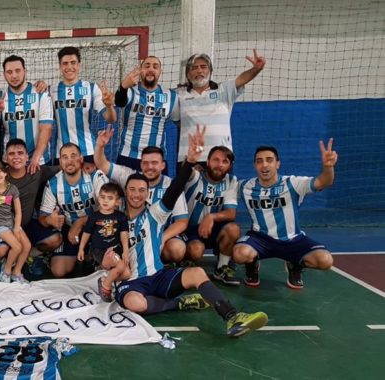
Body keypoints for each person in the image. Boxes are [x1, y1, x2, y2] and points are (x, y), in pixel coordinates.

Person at [114, 126, 268, 337]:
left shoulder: (155, 214)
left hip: (159, 277)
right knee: (135, 304)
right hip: (131, 282)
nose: (137, 194)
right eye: (132, 190)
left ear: (148, 193)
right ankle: (178, 304)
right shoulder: (115, 221)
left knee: (196, 272)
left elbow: (175, 187)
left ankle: (232, 316)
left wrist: (189, 162)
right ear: (126, 192)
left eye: (142, 190)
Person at [233, 141, 337, 289]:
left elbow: (323, 181)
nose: (264, 165)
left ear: (278, 164)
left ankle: (295, 265)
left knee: (325, 260)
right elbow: (221, 188)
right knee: (239, 254)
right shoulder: (245, 187)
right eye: (259, 161)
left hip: (293, 239)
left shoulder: (292, 184)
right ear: (255, 165)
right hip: (260, 239)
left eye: (269, 160)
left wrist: (328, 167)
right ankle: (252, 265)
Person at [93, 127, 189, 265]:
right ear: (141, 164)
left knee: (177, 249)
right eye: (145, 163)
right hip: (131, 235)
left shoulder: (171, 186)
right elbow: (101, 164)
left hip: (161, 235)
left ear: (163, 165)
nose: (150, 167)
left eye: (154, 163)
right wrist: (100, 146)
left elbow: (182, 222)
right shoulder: (129, 176)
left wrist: (159, 238)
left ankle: (161, 266)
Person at [176, 50, 265, 167]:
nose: (199, 70)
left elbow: (242, 79)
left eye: (203, 67)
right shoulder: (178, 95)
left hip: (221, 160)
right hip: (189, 160)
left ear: (210, 71)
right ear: (188, 74)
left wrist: (256, 69)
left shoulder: (224, 90)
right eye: (194, 68)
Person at [38, 143, 109, 278]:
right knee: (58, 270)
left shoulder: (95, 176)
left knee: (105, 265)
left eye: (73, 156)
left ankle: (92, 255)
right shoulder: (53, 184)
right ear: (60, 161)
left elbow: (110, 210)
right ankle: (80, 254)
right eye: (65, 157)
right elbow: (43, 217)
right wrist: (49, 219)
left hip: (97, 227)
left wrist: (81, 222)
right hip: (70, 230)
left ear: (81, 159)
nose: (69, 161)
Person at [0, 55, 54, 172]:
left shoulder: (41, 94)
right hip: (12, 163)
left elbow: (46, 128)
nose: (14, 75)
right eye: (9, 72)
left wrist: (35, 158)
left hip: (39, 161)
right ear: (4, 75)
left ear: (25, 71)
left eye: (17, 71)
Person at [182, 146, 241, 285]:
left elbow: (231, 213)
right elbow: (185, 171)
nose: (219, 165)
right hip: (190, 230)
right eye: (216, 160)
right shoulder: (195, 176)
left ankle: (222, 268)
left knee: (233, 229)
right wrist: (190, 159)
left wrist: (211, 217)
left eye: (225, 161)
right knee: (196, 251)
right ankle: (184, 259)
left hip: (213, 229)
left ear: (230, 165)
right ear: (207, 161)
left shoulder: (231, 180)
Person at [51, 46, 117, 170]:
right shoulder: (52, 90)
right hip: (62, 153)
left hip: (87, 151)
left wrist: (109, 106)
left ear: (79, 65)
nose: (69, 67)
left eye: (73, 63)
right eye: (65, 63)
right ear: (60, 66)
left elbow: (111, 119)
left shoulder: (91, 88)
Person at [114, 56, 179, 171]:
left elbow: (178, 123)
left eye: (155, 66)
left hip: (156, 160)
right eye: (147, 66)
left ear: (160, 72)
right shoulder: (131, 91)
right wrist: (123, 86)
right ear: (140, 70)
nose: (151, 69)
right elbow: (119, 101)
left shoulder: (171, 96)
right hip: (128, 155)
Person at [77, 183, 130, 302]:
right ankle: (106, 286)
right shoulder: (94, 216)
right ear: (98, 198)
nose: (105, 201)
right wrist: (81, 248)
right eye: (102, 197)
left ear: (117, 202)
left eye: (110, 198)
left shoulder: (121, 217)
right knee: (121, 266)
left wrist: (125, 251)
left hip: (115, 249)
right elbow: (86, 233)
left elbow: (124, 235)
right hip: (99, 250)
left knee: (126, 274)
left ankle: (104, 279)